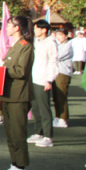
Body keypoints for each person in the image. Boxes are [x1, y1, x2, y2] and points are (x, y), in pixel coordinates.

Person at [0, 16, 35, 170]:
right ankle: (15, 165)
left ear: (17, 28)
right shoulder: (15, 45)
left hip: (19, 95)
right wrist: (0, 65)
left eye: (9, 25)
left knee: (18, 133)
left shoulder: (25, 46)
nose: (6, 28)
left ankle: (21, 169)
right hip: (8, 94)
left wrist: (2, 67)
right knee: (10, 133)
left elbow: (20, 71)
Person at [26, 20, 58, 148]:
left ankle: (48, 137)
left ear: (44, 30)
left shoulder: (51, 43)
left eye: (36, 28)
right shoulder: (36, 42)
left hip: (43, 80)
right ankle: (38, 133)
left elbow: (53, 62)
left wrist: (50, 80)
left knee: (44, 109)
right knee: (36, 108)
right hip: (34, 79)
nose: (34, 31)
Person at [52, 27, 73, 128]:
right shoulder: (59, 45)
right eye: (57, 35)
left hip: (63, 73)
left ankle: (63, 118)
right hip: (57, 72)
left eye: (61, 35)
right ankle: (58, 116)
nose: (58, 37)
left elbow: (57, 56)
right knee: (56, 96)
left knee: (61, 96)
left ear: (66, 36)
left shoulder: (67, 46)